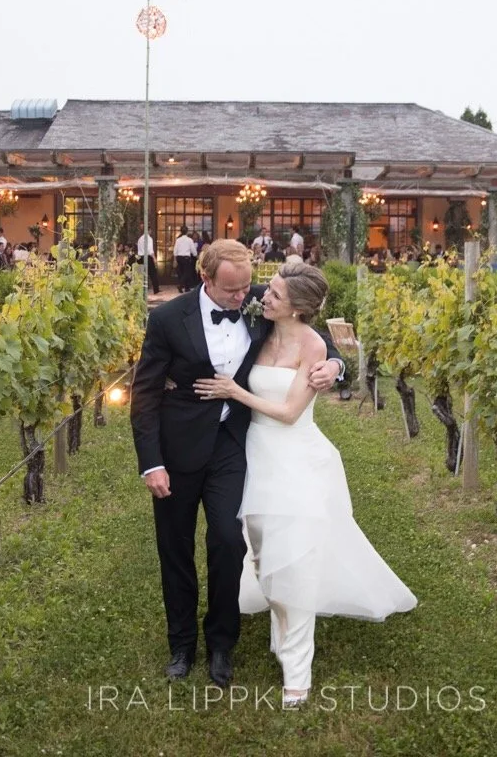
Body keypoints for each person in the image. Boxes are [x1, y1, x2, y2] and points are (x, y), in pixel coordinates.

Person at [194, 262, 416, 706]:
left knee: (294, 566)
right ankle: (281, 631)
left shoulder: (312, 344)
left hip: (295, 461)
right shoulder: (258, 320)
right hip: (253, 457)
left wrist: (331, 364)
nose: (264, 296)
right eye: (269, 290)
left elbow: (290, 413)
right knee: (262, 557)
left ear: (296, 307)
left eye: (275, 294)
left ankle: (297, 672)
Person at [131, 241, 347, 691]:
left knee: (229, 541)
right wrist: (151, 463)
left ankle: (222, 643)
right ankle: (181, 645)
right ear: (205, 278)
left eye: (247, 287)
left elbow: (307, 330)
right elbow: (146, 393)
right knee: (174, 547)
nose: (242, 297)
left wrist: (336, 364)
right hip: (178, 448)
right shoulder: (167, 319)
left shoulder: (260, 300)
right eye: (232, 290)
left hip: (232, 445)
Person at [137, 229, 160, 294]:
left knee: (141, 275)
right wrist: (154, 258)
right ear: (149, 230)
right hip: (147, 257)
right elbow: (150, 250)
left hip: (140, 258)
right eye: (150, 230)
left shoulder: (140, 239)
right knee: (153, 273)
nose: (151, 232)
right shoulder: (149, 238)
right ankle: (156, 289)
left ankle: (140, 290)